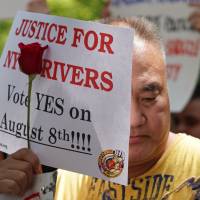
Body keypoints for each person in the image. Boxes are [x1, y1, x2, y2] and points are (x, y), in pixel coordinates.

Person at [1, 17, 200, 200]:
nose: (133, 120)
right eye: (113, 101)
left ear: (168, 91)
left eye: (148, 98)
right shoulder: (69, 181)